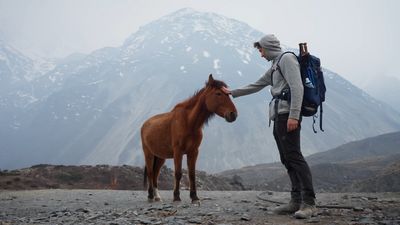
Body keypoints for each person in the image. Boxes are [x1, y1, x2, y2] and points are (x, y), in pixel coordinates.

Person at [222, 34, 317, 219]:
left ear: (269, 48)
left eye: (261, 50)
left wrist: (294, 116)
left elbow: (297, 88)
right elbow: (257, 84)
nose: (260, 54)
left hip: (287, 115)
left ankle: (309, 203)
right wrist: (232, 92)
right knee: (287, 158)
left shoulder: (287, 59)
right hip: (278, 116)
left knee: (295, 157)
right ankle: (295, 201)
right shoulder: (275, 64)